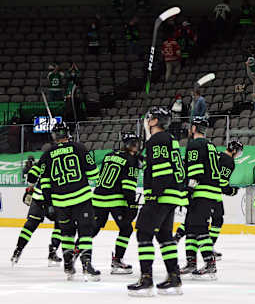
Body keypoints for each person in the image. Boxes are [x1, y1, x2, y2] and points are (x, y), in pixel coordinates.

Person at [127, 108, 187, 296]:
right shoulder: (169, 139)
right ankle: (174, 277)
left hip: (161, 195)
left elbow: (162, 170)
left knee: (144, 232)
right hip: (172, 194)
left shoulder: (157, 140)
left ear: (155, 122)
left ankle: (146, 279)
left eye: (149, 118)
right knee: (164, 237)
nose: (146, 121)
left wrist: (154, 194)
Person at [36, 122, 100, 281]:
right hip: (81, 199)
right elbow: (94, 175)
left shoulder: (47, 154)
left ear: (54, 136)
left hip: (60, 202)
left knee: (67, 233)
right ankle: (86, 265)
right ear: (68, 133)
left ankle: (68, 265)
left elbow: (44, 183)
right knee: (85, 232)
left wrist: (49, 204)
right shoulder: (79, 147)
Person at [176, 140, 244, 260]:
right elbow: (222, 183)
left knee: (193, 218)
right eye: (238, 151)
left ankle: (177, 236)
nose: (238, 154)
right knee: (215, 220)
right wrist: (232, 191)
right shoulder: (229, 161)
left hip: (199, 189)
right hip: (212, 193)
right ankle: (208, 247)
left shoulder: (217, 154)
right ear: (234, 150)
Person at [92, 133, 141, 275]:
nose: (135, 146)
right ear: (127, 144)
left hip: (98, 197)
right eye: (133, 143)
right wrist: (132, 204)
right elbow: (128, 186)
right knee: (126, 229)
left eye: (136, 143)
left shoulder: (109, 155)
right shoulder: (131, 159)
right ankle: (117, 261)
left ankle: (75, 251)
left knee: (93, 229)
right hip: (115, 200)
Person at [179, 117, 221, 280]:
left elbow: (195, 171)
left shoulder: (195, 144)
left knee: (199, 227)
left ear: (194, 127)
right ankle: (191, 263)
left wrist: (188, 191)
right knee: (190, 226)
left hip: (202, 192)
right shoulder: (211, 145)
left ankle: (210, 263)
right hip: (211, 192)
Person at [11, 162, 62, 267]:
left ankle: (17, 251)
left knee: (30, 226)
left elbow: (31, 175)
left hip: (39, 198)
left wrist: (30, 187)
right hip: (55, 200)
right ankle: (53, 251)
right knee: (60, 225)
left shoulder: (45, 158)